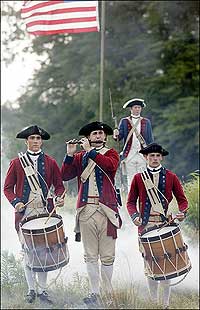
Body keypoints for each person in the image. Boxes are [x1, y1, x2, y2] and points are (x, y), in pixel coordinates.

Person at [61, 121, 122, 306]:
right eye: (94, 133)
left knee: (107, 255)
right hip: (86, 209)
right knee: (90, 255)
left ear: (105, 137)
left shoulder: (111, 154)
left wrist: (90, 151)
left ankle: (107, 291)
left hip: (107, 210)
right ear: (88, 137)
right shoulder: (80, 156)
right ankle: (94, 292)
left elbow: (110, 166)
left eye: (101, 134)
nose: (98, 136)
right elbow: (65, 175)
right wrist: (70, 155)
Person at [4, 125, 65, 305]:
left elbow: (59, 186)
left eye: (38, 139)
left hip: (45, 210)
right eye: (32, 139)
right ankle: (31, 290)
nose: (36, 142)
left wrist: (59, 198)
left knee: (44, 251)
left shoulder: (51, 162)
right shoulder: (16, 163)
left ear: (41, 141)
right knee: (28, 251)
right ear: (26, 141)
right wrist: (16, 202)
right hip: (25, 212)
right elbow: (7, 188)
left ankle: (43, 291)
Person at [126, 142, 189, 309]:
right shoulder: (138, 178)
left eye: (157, 156)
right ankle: (154, 303)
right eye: (151, 156)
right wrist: (134, 216)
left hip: (164, 224)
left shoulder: (171, 177)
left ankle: (166, 304)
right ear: (146, 158)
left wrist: (181, 212)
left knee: (167, 264)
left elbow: (183, 201)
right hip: (145, 227)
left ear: (161, 157)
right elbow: (131, 202)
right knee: (150, 264)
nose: (154, 158)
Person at [113, 98, 154, 192]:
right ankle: (131, 202)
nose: (137, 109)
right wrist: (116, 134)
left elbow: (150, 139)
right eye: (135, 107)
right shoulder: (124, 121)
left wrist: (151, 153)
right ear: (131, 109)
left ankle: (142, 200)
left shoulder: (146, 122)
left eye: (139, 107)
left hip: (142, 155)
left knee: (143, 178)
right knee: (130, 179)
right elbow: (119, 138)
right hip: (129, 155)